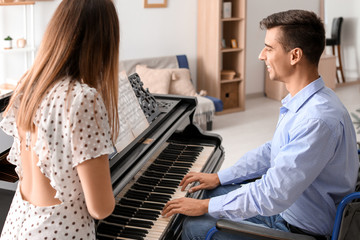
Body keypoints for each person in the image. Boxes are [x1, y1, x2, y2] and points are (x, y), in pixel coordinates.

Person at [162, 9, 359, 240]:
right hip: (286, 208)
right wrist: (220, 178)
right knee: (206, 192)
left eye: (269, 48)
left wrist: (206, 207)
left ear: (294, 56)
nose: (261, 55)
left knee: (194, 226)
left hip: (298, 228)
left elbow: (272, 194)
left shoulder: (317, 119)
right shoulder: (306, 101)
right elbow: (272, 151)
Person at [0, 0, 119, 239]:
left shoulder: (30, 83)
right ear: (104, 43)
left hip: (18, 226)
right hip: (58, 231)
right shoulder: (83, 99)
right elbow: (100, 208)